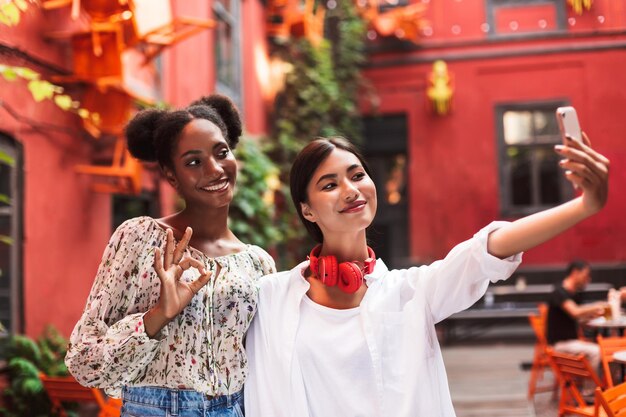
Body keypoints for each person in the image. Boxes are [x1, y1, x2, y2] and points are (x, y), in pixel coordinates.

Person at [244, 134, 609, 416]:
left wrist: (585, 205)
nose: (351, 189)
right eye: (329, 184)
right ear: (307, 210)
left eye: (357, 175)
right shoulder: (271, 297)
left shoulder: (411, 293)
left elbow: (486, 250)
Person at [65, 94, 275, 417]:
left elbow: (268, 365)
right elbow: (83, 361)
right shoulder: (141, 240)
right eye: (194, 161)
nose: (216, 169)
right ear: (171, 176)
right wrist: (158, 315)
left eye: (222, 153)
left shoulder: (258, 264)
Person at [546, 259, 604, 370]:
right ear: (575, 273)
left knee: (607, 348)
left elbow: (578, 318)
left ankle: (608, 383)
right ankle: (591, 387)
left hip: (571, 342)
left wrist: (593, 316)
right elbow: (575, 312)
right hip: (560, 345)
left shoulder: (574, 294)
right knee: (598, 351)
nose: (588, 280)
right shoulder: (559, 292)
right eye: (586, 275)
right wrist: (598, 305)